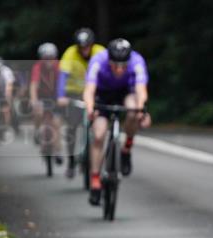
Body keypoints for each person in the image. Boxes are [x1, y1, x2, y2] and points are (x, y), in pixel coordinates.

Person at [82, 38, 150, 206]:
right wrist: (90, 109)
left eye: (123, 66)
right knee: (98, 135)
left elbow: (141, 90)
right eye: (115, 65)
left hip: (126, 92)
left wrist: (141, 110)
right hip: (103, 94)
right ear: (108, 60)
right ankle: (95, 179)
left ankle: (127, 147)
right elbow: (89, 90)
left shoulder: (137, 61)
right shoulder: (98, 60)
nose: (119, 69)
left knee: (134, 111)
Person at [58, 28, 104, 178]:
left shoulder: (100, 52)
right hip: (74, 93)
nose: (84, 50)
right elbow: (62, 76)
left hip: (95, 92)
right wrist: (61, 96)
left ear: (92, 44)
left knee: (98, 123)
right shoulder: (70, 53)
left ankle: (95, 156)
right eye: (81, 47)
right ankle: (71, 161)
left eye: (87, 46)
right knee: (71, 126)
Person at [30, 42, 61, 158]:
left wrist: (63, 97)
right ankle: (37, 130)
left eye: (51, 58)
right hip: (42, 96)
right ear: (41, 58)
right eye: (46, 58)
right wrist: (34, 100)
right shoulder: (37, 67)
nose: (48, 61)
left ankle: (57, 150)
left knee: (56, 123)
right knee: (37, 111)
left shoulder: (59, 66)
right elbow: (34, 85)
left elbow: (63, 84)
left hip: (56, 97)